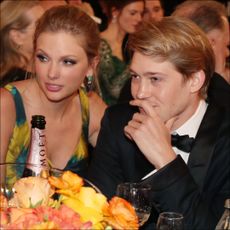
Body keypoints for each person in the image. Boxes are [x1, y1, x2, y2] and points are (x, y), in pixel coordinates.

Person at [87, 17, 230, 230]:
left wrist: (165, 161)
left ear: (194, 80)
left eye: (155, 79)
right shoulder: (119, 122)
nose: (140, 92)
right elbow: (95, 212)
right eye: (135, 76)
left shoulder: (225, 140)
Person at [0, 5, 106, 182]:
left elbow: (129, 180)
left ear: (91, 66)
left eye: (67, 61)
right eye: (43, 58)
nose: (52, 73)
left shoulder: (91, 109)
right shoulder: (7, 105)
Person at [172, 0, 230, 108]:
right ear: (210, 43)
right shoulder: (218, 96)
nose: (227, 53)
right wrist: (219, 75)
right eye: (226, 45)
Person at [98, 0, 144, 105]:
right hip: (104, 114)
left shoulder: (128, 45)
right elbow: (114, 89)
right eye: (133, 13)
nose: (139, 19)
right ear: (115, 12)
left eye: (141, 13)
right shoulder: (100, 44)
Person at [0, 0, 44, 87]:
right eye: (39, 24)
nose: (49, 28)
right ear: (17, 37)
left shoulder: (42, 66)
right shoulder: (15, 84)